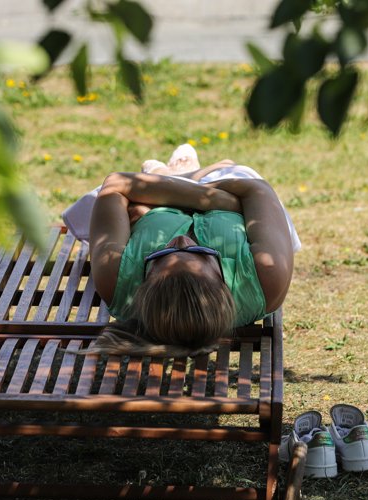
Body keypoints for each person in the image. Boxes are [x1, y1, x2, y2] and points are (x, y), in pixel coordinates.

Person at [85, 147, 295, 357]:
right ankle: (186, 173)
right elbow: (257, 191)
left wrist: (223, 200)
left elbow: (115, 185)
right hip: (213, 189)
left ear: (146, 284)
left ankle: (173, 174)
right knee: (236, 171)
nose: (180, 240)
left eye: (160, 255)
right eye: (200, 252)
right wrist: (210, 194)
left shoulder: (115, 280)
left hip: (174, 202)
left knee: (100, 206)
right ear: (222, 283)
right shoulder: (266, 277)